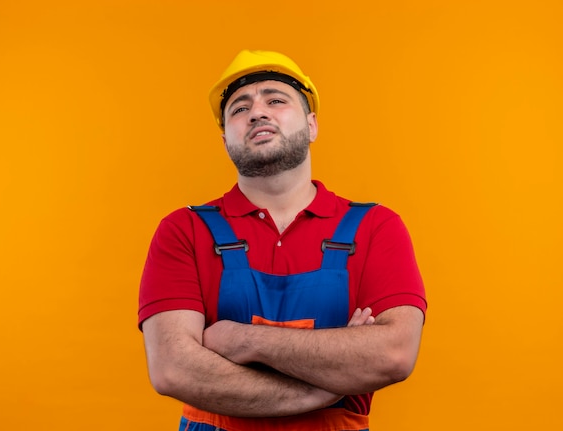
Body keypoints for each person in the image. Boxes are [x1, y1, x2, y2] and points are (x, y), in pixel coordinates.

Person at [138, 49, 427, 431]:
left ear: (311, 126)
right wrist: (327, 386)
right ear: (225, 142)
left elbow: (394, 355)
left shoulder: (375, 227)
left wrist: (240, 339)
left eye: (275, 100)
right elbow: (173, 369)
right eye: (240, 108)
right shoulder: (184, 230)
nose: (257, 112)